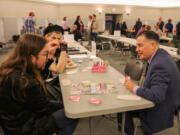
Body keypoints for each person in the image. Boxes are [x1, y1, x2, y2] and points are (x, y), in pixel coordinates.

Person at [0, 34, 78, 135]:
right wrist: (66, 106)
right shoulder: (27, 83)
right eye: (45, 54)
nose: (48, 58)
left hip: (11, 123)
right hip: (25, 128)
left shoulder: (11, 69)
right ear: (32, 58)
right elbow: (44, 108)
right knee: (72, 113)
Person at [118, 31, 180, 135]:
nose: (137, 49)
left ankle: (128, 132)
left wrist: (134, 88)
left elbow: (156, 96)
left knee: (122, 107)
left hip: (162, 108)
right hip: (165, 100)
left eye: (140, 45)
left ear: (153, 45)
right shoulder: (159, 55)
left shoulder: (160, 64)